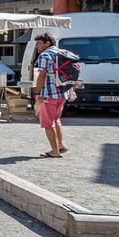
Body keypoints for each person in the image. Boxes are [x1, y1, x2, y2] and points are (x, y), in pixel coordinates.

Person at [32, 30, 69, 159]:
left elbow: (42, 75)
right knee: (56, 119)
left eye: (39, 43)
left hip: (49, 93)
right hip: (63, 93)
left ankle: (54, 151)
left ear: (47, 43)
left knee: (48, 123)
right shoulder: (64, 53)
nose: (37, 46)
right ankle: (61, 144)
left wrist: (37, 92)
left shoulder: (45, 55)